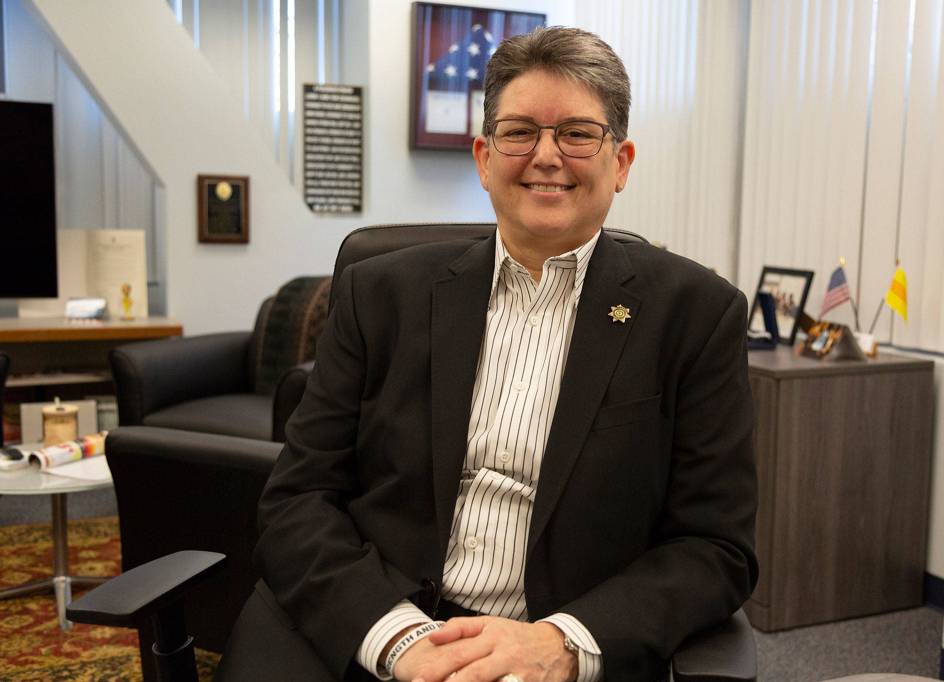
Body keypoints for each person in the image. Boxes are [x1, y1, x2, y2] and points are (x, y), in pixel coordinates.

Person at [248, 26, 757, 682]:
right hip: (377, 630)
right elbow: (297, 498)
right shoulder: (378, 294)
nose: (546, 156)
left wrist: (562, 644)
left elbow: (716, 547)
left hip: (554, 651)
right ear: (484, 158)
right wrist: (398, 638)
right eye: (519, 132)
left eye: (577, 133)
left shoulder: (697, 315)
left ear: (622, 162)